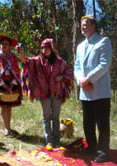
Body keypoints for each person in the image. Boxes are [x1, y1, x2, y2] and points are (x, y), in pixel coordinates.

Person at [19, 38, 72, 148]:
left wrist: (61, 76)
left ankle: (57, 140)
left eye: (46, 47)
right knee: (46, 117)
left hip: (56, 92)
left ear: (51, 48)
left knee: (56, 117)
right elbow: (26, 63)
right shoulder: (38, 61)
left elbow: (69, 72)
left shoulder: (60, 62)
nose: (44, 50)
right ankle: (49, 140)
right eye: (42, 48)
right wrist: (20, 53)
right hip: (43, 93)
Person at [74, 15, 112, 163]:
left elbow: (104, 65)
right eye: (82, 25)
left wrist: (88, 79)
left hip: (100, 91)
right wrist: (80, 81)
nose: (83, 27)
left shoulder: (103, 41)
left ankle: (103, 151)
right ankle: (91, 146)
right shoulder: (80, 46)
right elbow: (77, 66)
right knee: (87, 122)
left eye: (85, 24)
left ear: (93, 26)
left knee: (102, 123)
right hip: (85, 91)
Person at [0, 33, 22, 136]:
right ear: (0, 45)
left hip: (12, 83)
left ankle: (8, 127)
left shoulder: (13, 57)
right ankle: (6, 128)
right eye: (2, 44)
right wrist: (3, 84)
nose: (4, 46)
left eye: (6, 44)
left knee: (9, 106)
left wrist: (12, 83)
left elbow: (16, 70)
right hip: (1, 83)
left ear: (9, 45)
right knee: (3, 106)